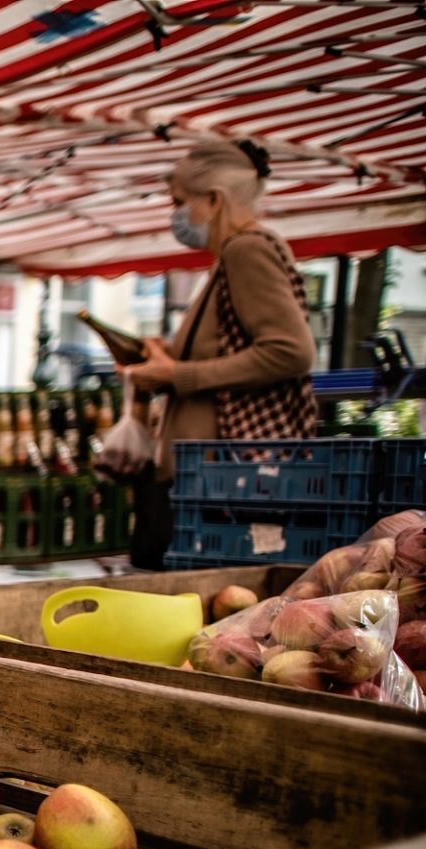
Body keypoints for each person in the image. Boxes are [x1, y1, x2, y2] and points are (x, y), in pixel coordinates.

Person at [121, 140, 318, 570]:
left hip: (224, 477)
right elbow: (229, 348)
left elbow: (291, 351)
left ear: (213, 200)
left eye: (179, 202)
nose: (175, 214)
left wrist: (177, 374)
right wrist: (163, 357)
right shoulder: (231, 255)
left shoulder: (247, 249)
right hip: (206, 477)